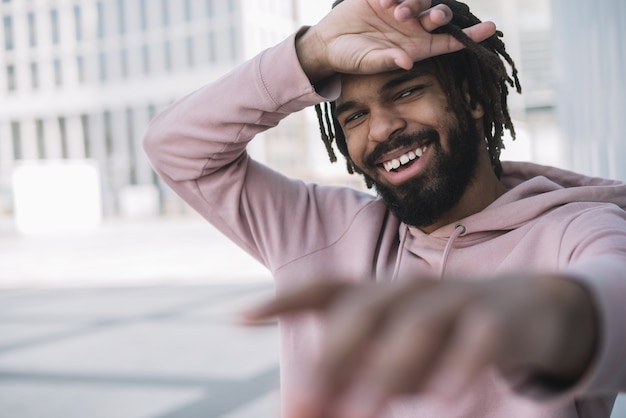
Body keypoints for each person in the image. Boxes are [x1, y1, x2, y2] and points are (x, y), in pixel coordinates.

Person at [143, 0, 626, 416]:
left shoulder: (577, 227)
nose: (380, 129)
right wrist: (310, 52)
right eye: (354, 115)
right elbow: (174, 148)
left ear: (474, 99)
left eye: (407, 91)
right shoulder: (318, 230)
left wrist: (530, 311)